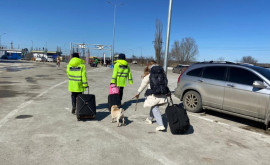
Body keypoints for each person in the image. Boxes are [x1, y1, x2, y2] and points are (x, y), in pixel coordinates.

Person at [134, 60, 168, 131]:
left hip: (153, 95)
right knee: (154, 106)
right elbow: (165, 83)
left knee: (155, 108)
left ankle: (161, 125)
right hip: (162, 93)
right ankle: (150, 119)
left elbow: (143, 85)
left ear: (149, 67)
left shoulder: (149, 75)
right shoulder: (162, 74)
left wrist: (138, 93)